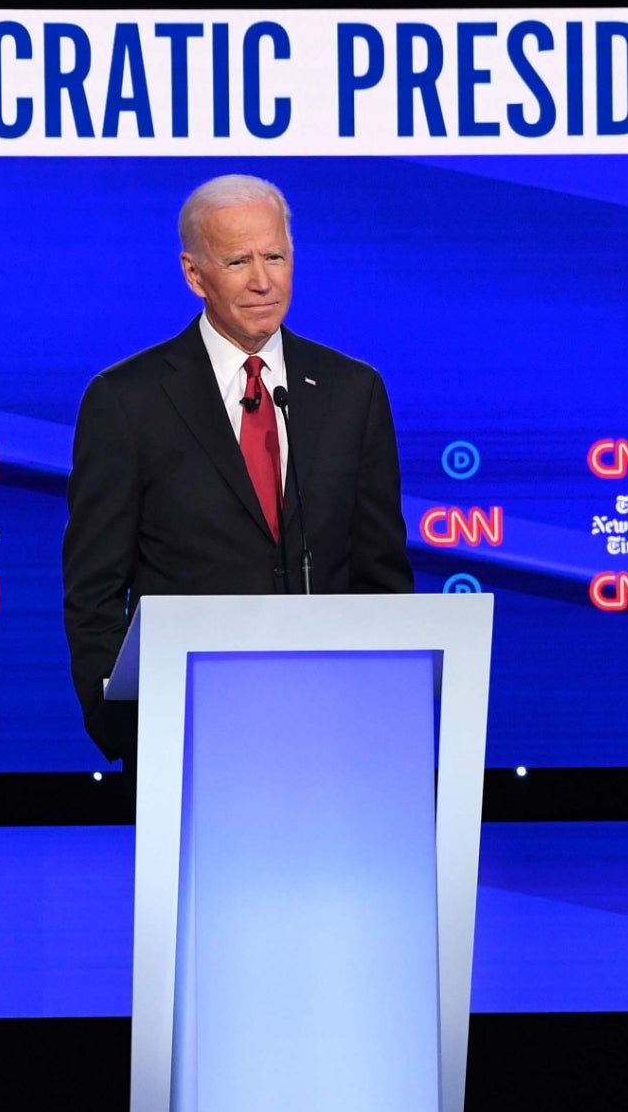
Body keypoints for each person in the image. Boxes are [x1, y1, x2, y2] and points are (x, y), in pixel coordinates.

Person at [62, 174, 411, 761]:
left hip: (337, 735)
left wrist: (387, 707)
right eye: (237, 261)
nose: (262, 281)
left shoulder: (353, 392)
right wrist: (127, 727)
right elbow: (94, 590)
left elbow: (381, 575)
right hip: (186, 737)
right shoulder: (128, 402)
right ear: (194, 274)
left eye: (275, 256)